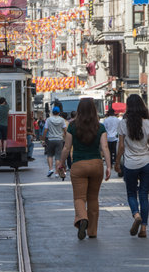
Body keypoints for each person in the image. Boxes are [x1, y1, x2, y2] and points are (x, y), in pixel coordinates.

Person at [59, 98, 111, 240]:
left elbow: (67, 147)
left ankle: (82, 218)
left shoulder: (72, 126)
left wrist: (61, 163)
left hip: (78, 165)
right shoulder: (100, 127)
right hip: (96, 164)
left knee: (79, 198)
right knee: (93, 198)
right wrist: (109, 166)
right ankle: (92, 231)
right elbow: (105, 147)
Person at [115, 94, 149, 238]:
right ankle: (143, 229)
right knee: (144, 194)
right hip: (146, 163)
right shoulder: (147, 123)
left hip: (130, 164)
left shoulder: (123, 123)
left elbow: (121, 146)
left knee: (131, 193)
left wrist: (116, 163)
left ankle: (136, 215)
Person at [43, 106, 67, 177]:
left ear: (52, 112)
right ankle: (56, 172)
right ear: (59, 113)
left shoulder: (48, 119)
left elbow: (45, 130)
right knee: (58, 157)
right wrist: (64, 136)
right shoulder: (62, 120)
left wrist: (43, 139)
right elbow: (65, 130)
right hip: (59, 140)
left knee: (49, 155)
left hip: (50, 139)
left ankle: (50, 169)